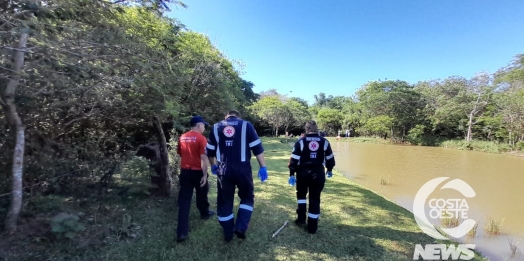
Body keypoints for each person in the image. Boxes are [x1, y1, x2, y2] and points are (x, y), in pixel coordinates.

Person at [206, 110, 267, 242]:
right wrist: (263, 167)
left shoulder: (216, 127)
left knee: (224, 200)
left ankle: (228, 232)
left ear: (226, 116)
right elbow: (258, 149)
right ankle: (241, 226)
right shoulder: (246, 125)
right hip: (243, 168)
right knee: (247, 197)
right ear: (238, 116)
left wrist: (213, 165)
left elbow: (210, 151)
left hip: (223, 169)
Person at [287, 120, 335, 234]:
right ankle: (312, 227)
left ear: (306, 129)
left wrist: (291, 174)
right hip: (318, 174)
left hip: (303, 173)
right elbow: (330, 158)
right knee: (315, 198)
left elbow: (293, 159)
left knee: (301, 196)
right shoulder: (325, 142)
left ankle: (301, 219)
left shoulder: (301, 141)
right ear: (316, 129)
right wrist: (329, 169)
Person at [175, 116, 215, 243]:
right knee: (202, 194)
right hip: (197, 172)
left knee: (184, 200)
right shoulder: (201, 139)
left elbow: (181, 153)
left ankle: (182, 232)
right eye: (204, 125)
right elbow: (204, 158)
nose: (204, 128)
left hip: (185, 171)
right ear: (199, 125)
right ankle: (204, 213)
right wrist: (204, 175)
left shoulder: (182, 137)